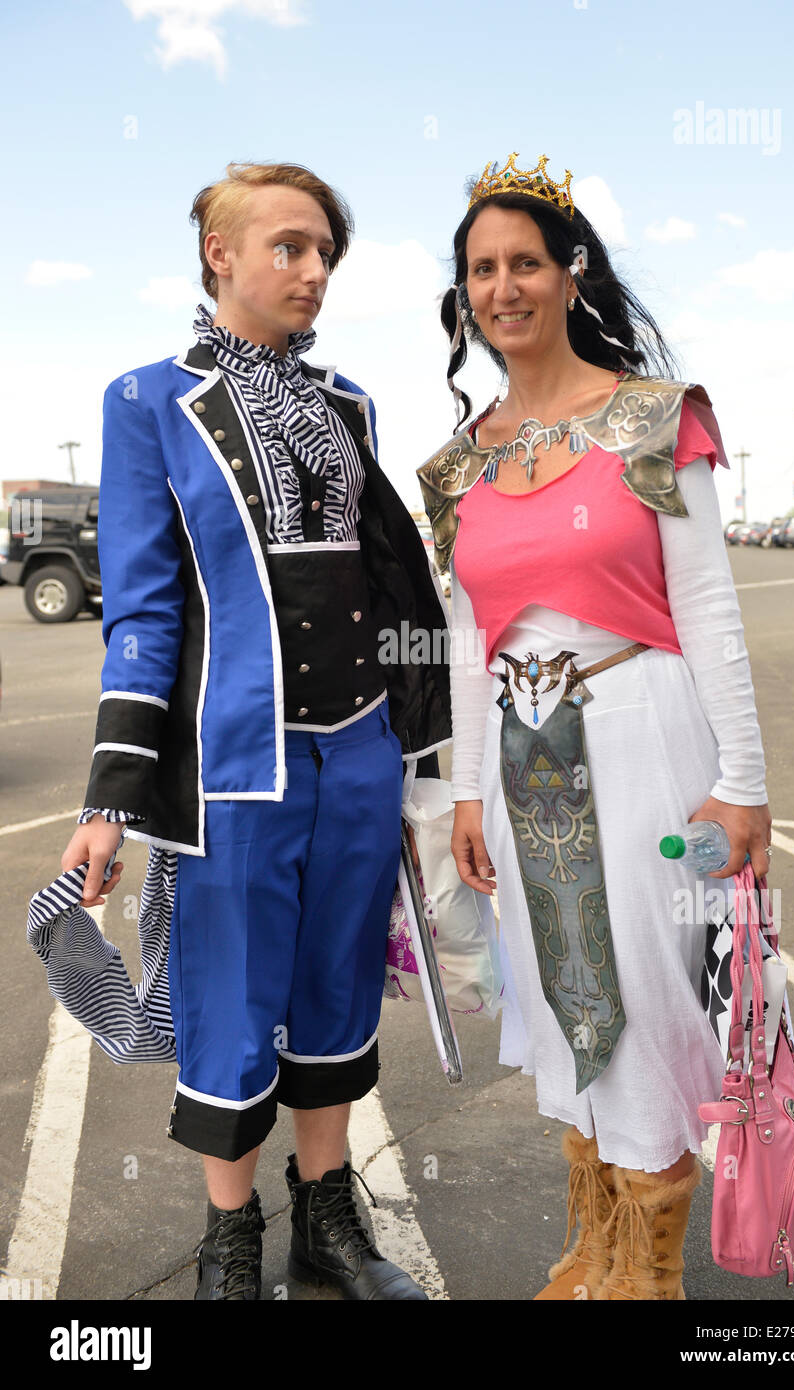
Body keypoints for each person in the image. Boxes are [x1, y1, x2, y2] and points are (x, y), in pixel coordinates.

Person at [59, 160, 450, 1301]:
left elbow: (391, 587)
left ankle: (325, 1219)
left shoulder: (349, 406)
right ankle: (231, 1237)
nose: (314, 271)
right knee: (229, 1001)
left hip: (361, 749)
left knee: (336, 983)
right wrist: (108, 800)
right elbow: (140, 613)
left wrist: (421, 766)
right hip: (235, 765)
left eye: (325, 250)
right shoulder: (146, 403)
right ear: (219, 255)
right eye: (289, 247)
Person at [417, 153, 772, 1301]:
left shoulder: (652, 420)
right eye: (481, 268)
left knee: (644, 990)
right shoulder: (457, 464)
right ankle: (598, 1244)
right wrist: (467, 789)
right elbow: (471, 642)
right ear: (463, 292)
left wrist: (745, 784)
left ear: (571, 275)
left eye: (525, 261)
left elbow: (709, 606)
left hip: (641, 735)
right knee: (557, 989)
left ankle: (650, 1275)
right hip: (521, 763)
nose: (503, 285)